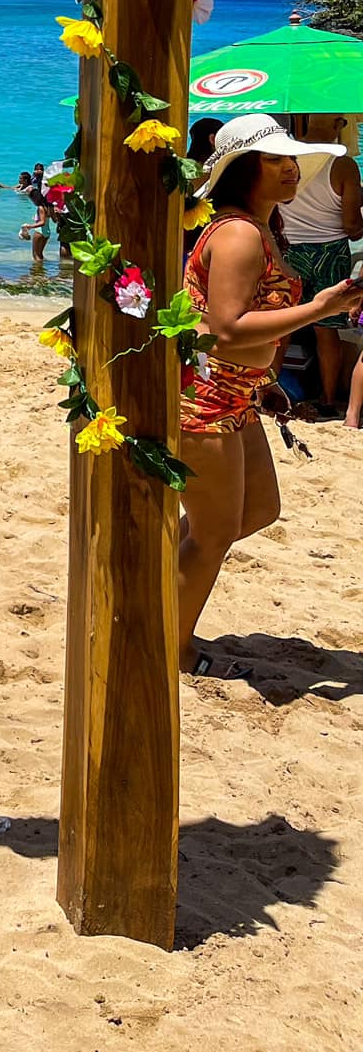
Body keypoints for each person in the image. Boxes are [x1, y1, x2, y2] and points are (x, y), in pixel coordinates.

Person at [180, 115, 363, 675]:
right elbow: (226, 329)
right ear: (243, 170)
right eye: (276, 159)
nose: (291, 168)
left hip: (237, 394)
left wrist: (264, 384)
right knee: (212, 534)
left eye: (292, 159)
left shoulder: (262, 226)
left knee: (257, 510)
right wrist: (323, 308)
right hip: (205, 398)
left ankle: (161, 590)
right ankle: (173, 646)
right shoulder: (237, 233)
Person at [279, 114, 363, 410]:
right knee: (326, 329)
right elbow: (352, 225)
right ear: (339, 126)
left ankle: (271, 392)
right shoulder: (343, 165)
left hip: (290, 249)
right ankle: (328, 399)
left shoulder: (287, 157)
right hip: (330, 251)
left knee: (281, 326)